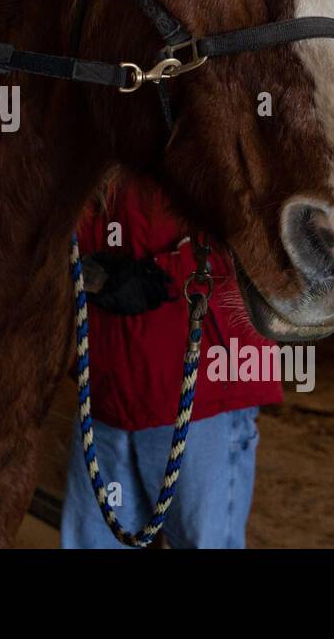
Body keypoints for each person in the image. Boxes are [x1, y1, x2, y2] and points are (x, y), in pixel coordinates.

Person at [62, 172, 283, 549]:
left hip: (201, 387)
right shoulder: (93, 126)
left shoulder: (217, 121)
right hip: (107, 386)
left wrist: (164, 274)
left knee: (203, 541)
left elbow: (263, 230)